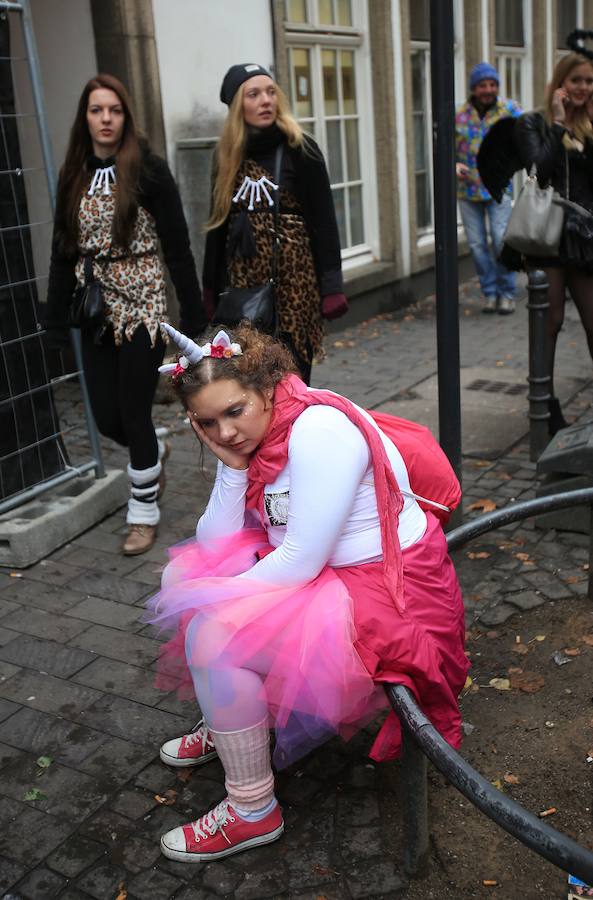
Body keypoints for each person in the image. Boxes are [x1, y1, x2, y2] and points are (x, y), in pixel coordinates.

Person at [147, 321, 469, 864]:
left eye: (235, 412)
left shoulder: (317, 431)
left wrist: (212, 596)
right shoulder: (261, 437)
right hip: (333, 577)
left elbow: (300, 560)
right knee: (187, 575)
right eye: (208, 423)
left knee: (210, 634)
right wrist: (231, 471)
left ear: (267, 389)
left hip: (390, 600)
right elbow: (215, 539)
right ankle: (229, 716)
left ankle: (252, 811)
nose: (225, 433)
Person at [43, 74, 207, 554]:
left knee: (133, 411)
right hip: (94, 304)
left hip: (142, 303)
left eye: (114, 110)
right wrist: (54, 322)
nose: (106, 118)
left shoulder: (148, 170)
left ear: (125, 116)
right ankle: (153, 450)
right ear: (86, 118)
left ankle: (142, 514)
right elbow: (61, 253)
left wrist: (193, 316)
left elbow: (178, 247)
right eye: (97, 110)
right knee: (106, 417)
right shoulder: (72, 174)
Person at [202, 63, 348, 384]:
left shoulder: (301, 148)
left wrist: (332, 285)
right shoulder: (226, 157)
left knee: (292, 383)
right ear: (238, 104)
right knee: (252, 383)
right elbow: (218, 228)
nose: (266, 100)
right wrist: (210, 288)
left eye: (270, 92)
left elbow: (324, 221)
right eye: (254, 94)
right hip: (244, 292)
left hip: (295, 290)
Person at [479, 47, 593, 434]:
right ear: (561, 83)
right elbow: (539, 171)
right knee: (551, 320)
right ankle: (544, 408)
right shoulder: (533, 123)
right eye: (576, 80)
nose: (583, 87)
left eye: (589, 81)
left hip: (585, 235)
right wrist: (560, 124)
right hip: (547, 235)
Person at [456, 62, 522, 315]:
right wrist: (454, 164)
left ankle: (507, 293)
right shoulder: (458, 114)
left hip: (497, 187)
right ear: (474, 88)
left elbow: (527, 134)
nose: (488, 89)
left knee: (500, 240)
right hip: (467, 190)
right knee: (476, 245)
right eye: (483, 85)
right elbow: (445, 149)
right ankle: (490, 293)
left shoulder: (510, 110)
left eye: (493, 84)